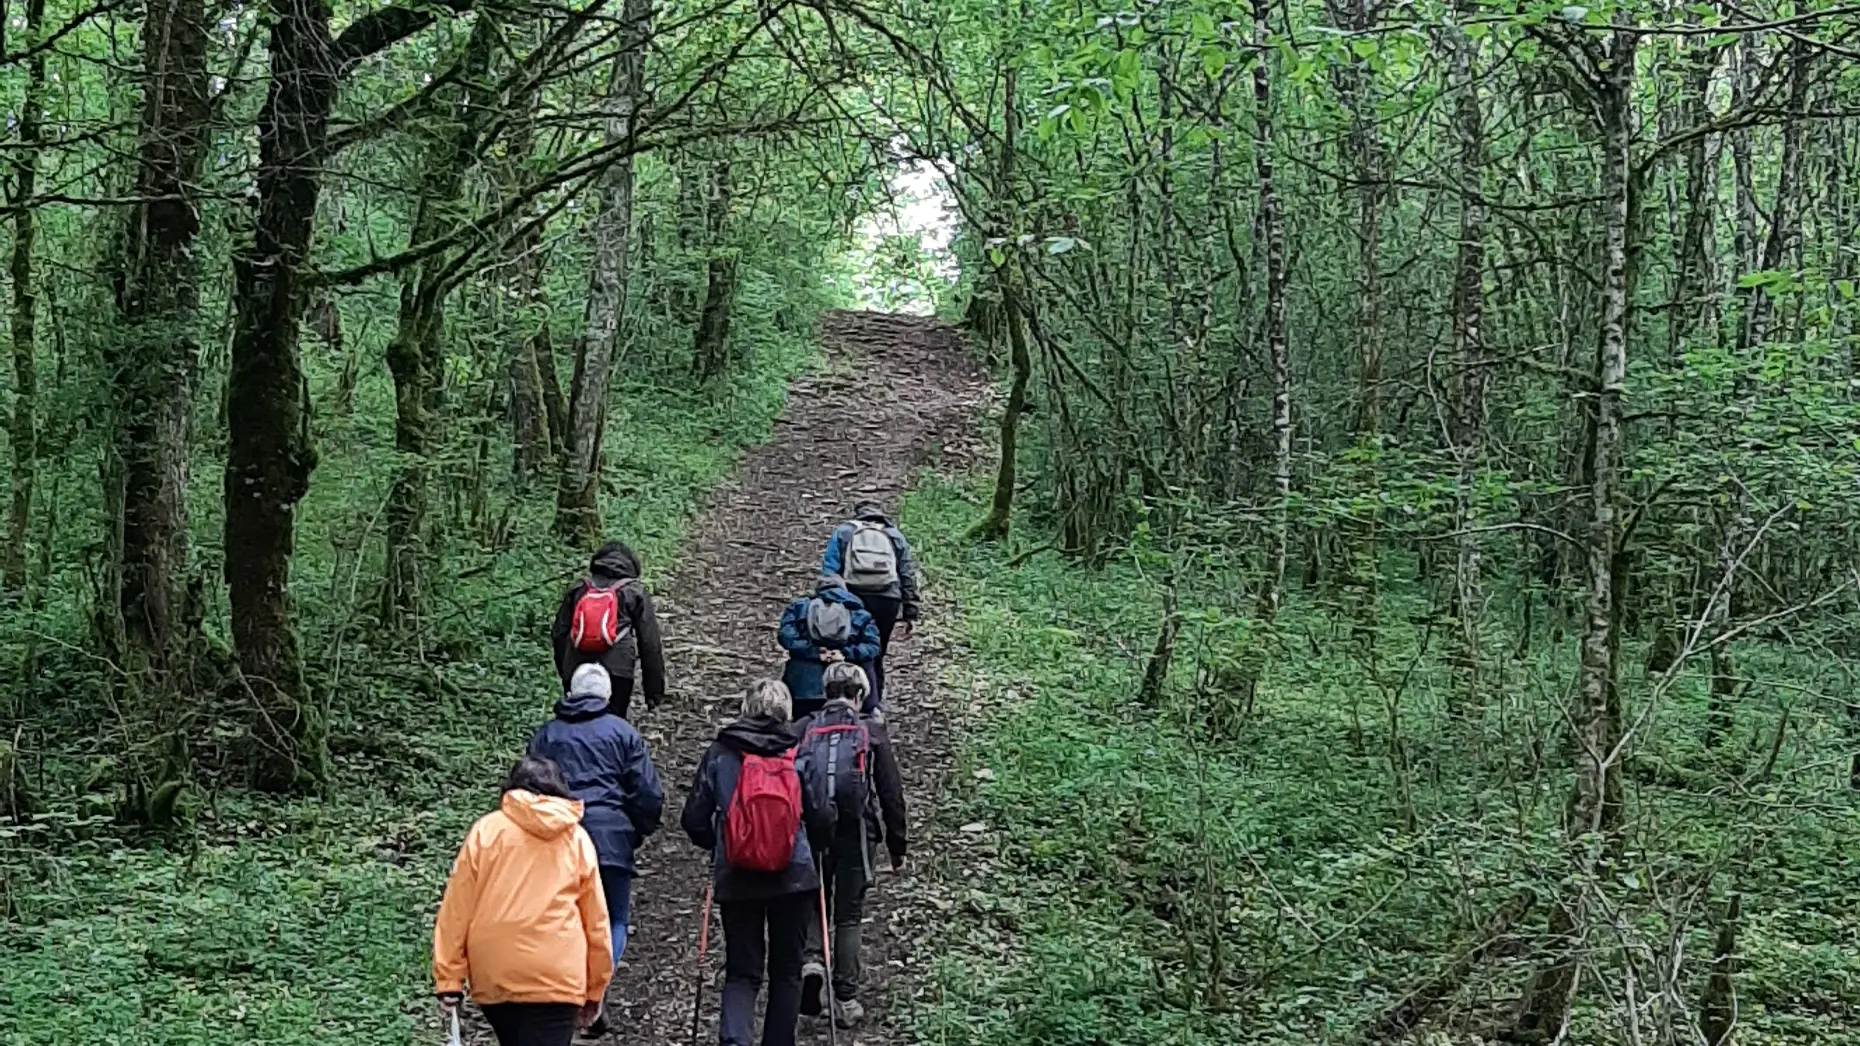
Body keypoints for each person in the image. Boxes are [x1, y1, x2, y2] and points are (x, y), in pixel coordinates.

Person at [680, 680, 833, 1046]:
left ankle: (735, 1040)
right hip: (793, 876)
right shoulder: (799, 752)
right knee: (787, 971)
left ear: (745, 707)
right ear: (786, 711)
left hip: (738, 873)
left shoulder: (722, 751)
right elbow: (823, 816)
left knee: (741, 971)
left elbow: (693, 818)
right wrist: (815, 849)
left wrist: (720, 846)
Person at [433, 757, 611, 1046]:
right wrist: (595, 989)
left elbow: (456, 910)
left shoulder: (486, 831)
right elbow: (596, 922)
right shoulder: (576, 839)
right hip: (557, 975)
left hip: (496, 971)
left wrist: (449, 980)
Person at [527, 664, 664, 1037]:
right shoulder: (623, 733)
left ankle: (565, 991)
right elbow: (647, 792)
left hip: (560, 839)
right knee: (614, 918)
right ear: (606, 696)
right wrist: (636, 829)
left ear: (571, 692)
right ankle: (596, 991)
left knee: (565, 918)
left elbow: (529, 789)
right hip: (610, 840)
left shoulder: (548, 735)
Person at [794, 663, 907, 1028]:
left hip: (812, 828)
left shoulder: (804, 729)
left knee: (815, 898)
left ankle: (811, 961)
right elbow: (890, 792)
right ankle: (845, 999)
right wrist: (897, 843)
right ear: (859, 695)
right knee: (848, 914)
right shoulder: (870, 731)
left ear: (825, 692)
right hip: (856, 832)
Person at [820, 500, 920, 705]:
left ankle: (840, 700)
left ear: (858, 514)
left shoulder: (845, 531)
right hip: (887, 600)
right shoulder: (894, 535)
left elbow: (829, 572)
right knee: (875, 652)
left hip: (851, 597)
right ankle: (873, 706)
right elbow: (907, 574)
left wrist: (827, 602)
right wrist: (910, 611)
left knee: (845, 649)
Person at [552, 541, 666, 719]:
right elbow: (649, 642)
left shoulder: (579, 589)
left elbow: (559, 633)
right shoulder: (634, 592)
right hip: (618, 669)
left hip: (577, 666)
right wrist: (654, 692)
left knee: (576, 720)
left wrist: (566, 673)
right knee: (613, 721)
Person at [778, 574, 880, 719]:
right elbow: (872, 647)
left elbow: (786, 637)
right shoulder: (859, 614)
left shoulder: (800, 608)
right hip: (847, 690)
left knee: (802, 726)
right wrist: (844, 655)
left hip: (803, 689)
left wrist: (814, 652)